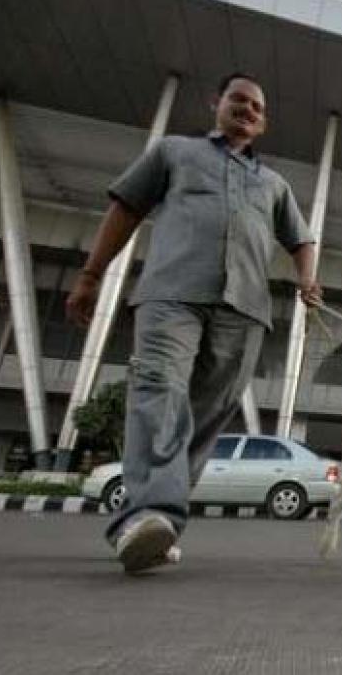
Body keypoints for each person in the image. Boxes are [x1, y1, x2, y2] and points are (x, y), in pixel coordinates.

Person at [66, 72, 320, 574]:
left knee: (204, 421)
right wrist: (91, 274)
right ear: (216, 104)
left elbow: (301, 239)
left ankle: (159, 528)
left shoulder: (273, 184)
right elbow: (126, 208)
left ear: (263, 122)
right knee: (159, 391)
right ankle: (146, 516)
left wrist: (307, 280)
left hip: (244, 311)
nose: (247, 109)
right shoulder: (173, 153)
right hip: (171, 296)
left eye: (256, 106)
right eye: (238, 100)